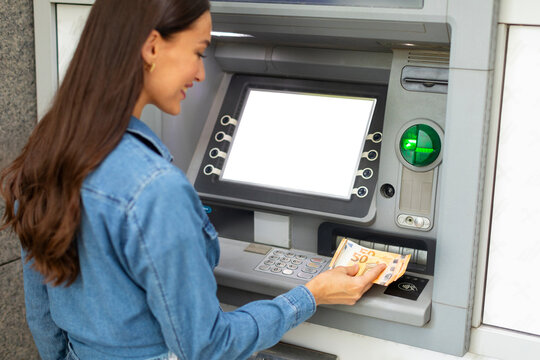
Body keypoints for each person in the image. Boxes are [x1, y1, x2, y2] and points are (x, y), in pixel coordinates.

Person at [0, 1, 385, 359]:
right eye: (199, 52)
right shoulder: (155, 188)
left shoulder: (47, 155)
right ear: (152, 47)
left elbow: (43, 318)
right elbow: (206, 347)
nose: (202, 73)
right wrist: (311, 294)